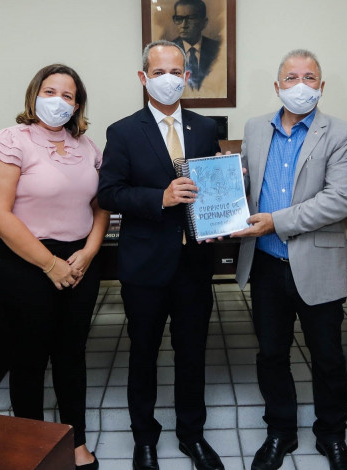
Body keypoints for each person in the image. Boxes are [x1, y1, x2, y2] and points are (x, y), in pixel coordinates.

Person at [97, 40, 224, 470]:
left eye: (176, 72)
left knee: (192, 354)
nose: (168, 79)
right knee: (143, 353)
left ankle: (192, 435)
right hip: (145, 264)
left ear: (187, 77)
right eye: (158, 72)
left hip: (193, 263)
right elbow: (109, 193)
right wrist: (160, 197)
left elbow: (210, 187)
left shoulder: (204, 127)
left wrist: (227, 193)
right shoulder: (123, 131)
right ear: (143, 77)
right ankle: (145, 439)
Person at [232, 49, 347, 470]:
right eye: (291, 78)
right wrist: (225, 187)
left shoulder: (343, 134)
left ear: (322, 87)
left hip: (317, 263)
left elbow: (340, 200)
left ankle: (332, 436)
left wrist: (277, 222)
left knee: (327, 355)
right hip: (266, 264)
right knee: (271, 354)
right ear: (277, 86)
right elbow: (246, 184)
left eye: (309, 77)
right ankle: (280, 431)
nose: (300, 85)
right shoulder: (254, 128)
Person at [0, 64, 108, 470]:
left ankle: (76, 440)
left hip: (79, 262)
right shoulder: (10, 140)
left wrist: (89, 252)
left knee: (72, 355)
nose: (58, 101)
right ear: (34, 95)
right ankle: (30, 444)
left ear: (77, 105)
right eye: (50, 92)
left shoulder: (87, 146)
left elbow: (100, 205)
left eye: (68, 95)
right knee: (29, 357)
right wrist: (49, 264)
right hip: (25, 262)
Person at [171, 0, 220, 90]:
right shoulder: (168, 50)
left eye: (191, 18)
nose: (184, 25)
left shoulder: (218, 49)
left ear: (204, 23)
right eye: (179, 18)